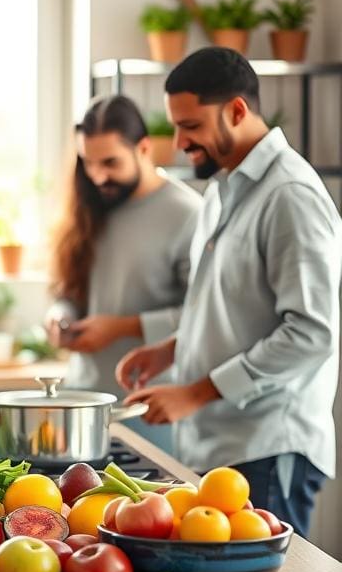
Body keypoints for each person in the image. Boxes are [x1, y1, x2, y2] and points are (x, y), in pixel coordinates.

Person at [118, 47, 341, 538]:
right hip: (220, 450)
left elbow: (311, 333)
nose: (178, 143)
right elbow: (231, 307)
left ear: (237, 111)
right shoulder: (222, 188)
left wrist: (195, 393)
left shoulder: (290, 197)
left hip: (266, 450)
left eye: (191, 126)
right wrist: (171, 351)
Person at [46, 95, 202, 451]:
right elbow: (69, 291)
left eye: (110, 162)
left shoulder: (188, 214)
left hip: (148, 410)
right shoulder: (90, 206)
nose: (98, 175)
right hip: (80, 403)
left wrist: (121, 327)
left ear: (144, 149)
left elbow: (205, 316)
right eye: (88, 163)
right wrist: (61, 315)